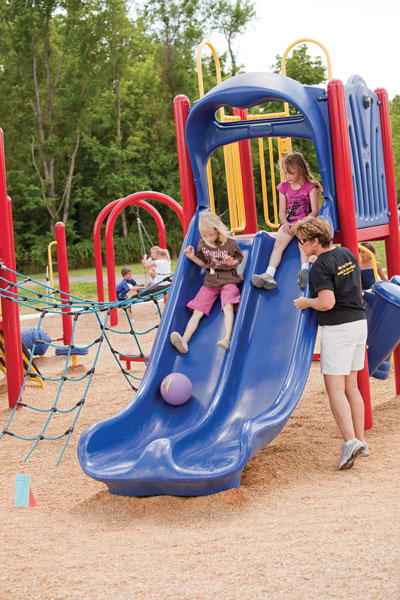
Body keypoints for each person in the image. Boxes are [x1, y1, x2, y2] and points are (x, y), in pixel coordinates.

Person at [293, 216, 369, 471]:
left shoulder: (319, 268)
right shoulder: (346, 253)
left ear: (315, 241)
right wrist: (318, 260)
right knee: (351, 386)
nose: (301, 246)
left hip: (339, 328)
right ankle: (360, 440)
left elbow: (326, 302)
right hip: (359, 323)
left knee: (335, 389)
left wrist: (306, 302)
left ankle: (349, 443)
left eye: (303, 241)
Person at [170, 211, 243, 353]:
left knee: (227, 306)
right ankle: (184, 341)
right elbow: (204, 263)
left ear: (217, 230)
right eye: (204, 235)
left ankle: (226, 338)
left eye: (210, 234)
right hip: (211, 280)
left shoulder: (230, 243)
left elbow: (238, 259)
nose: (207, 238)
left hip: (229, 278)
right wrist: (192, 257)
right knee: (197, 311)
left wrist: (230, 262)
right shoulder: (203, 244)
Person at [251, 152, 322, 290]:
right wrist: (285, 222)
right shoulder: (283, 187)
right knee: (278, 244)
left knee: (304, 243)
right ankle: (269, 274)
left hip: (306, 222)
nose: (287, 176)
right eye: (285, 173)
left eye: (291, 173)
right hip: (289, 222)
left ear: (300, 170)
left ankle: (305, 270)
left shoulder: (310, 187)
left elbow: (315, 211)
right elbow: (282, 212)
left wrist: (300, 223)